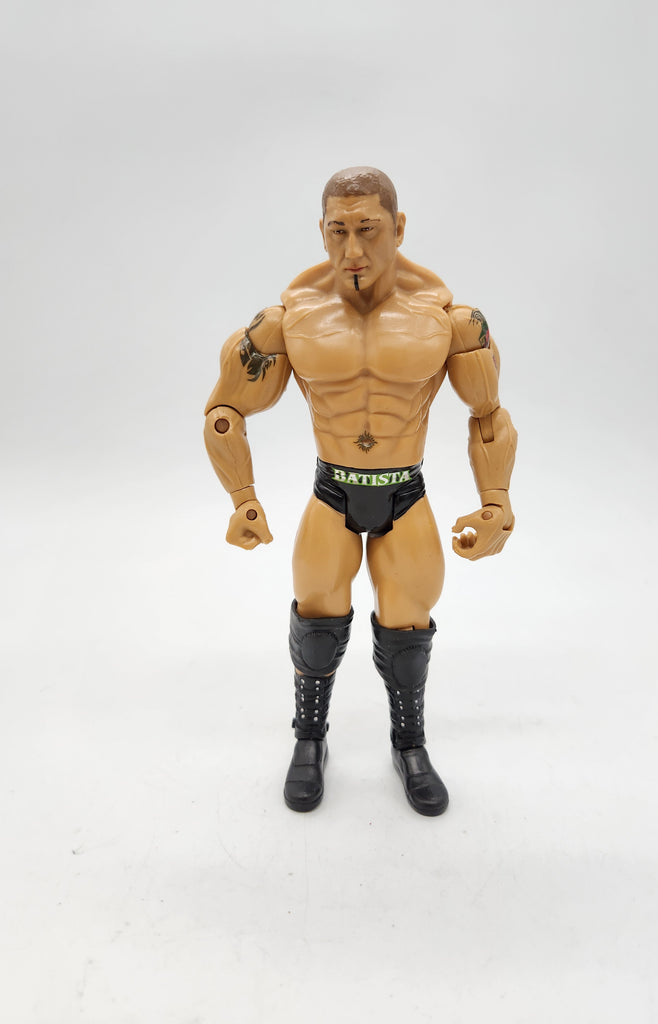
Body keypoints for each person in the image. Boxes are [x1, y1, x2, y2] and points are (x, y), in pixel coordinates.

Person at [204, 167, 517, 816]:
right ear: (321, 232)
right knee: (317, 624)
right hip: (333, 492)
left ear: (398, 228)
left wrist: (496, 501)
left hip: (405, 492)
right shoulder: (288, 321)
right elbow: (225, 411)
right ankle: (309, 740)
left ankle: (410, 744)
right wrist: (241, 496)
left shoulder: (451, 322)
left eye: (368, 230)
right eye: (338, 231)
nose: (353, 250)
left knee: (408, 627)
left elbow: (488, 416)